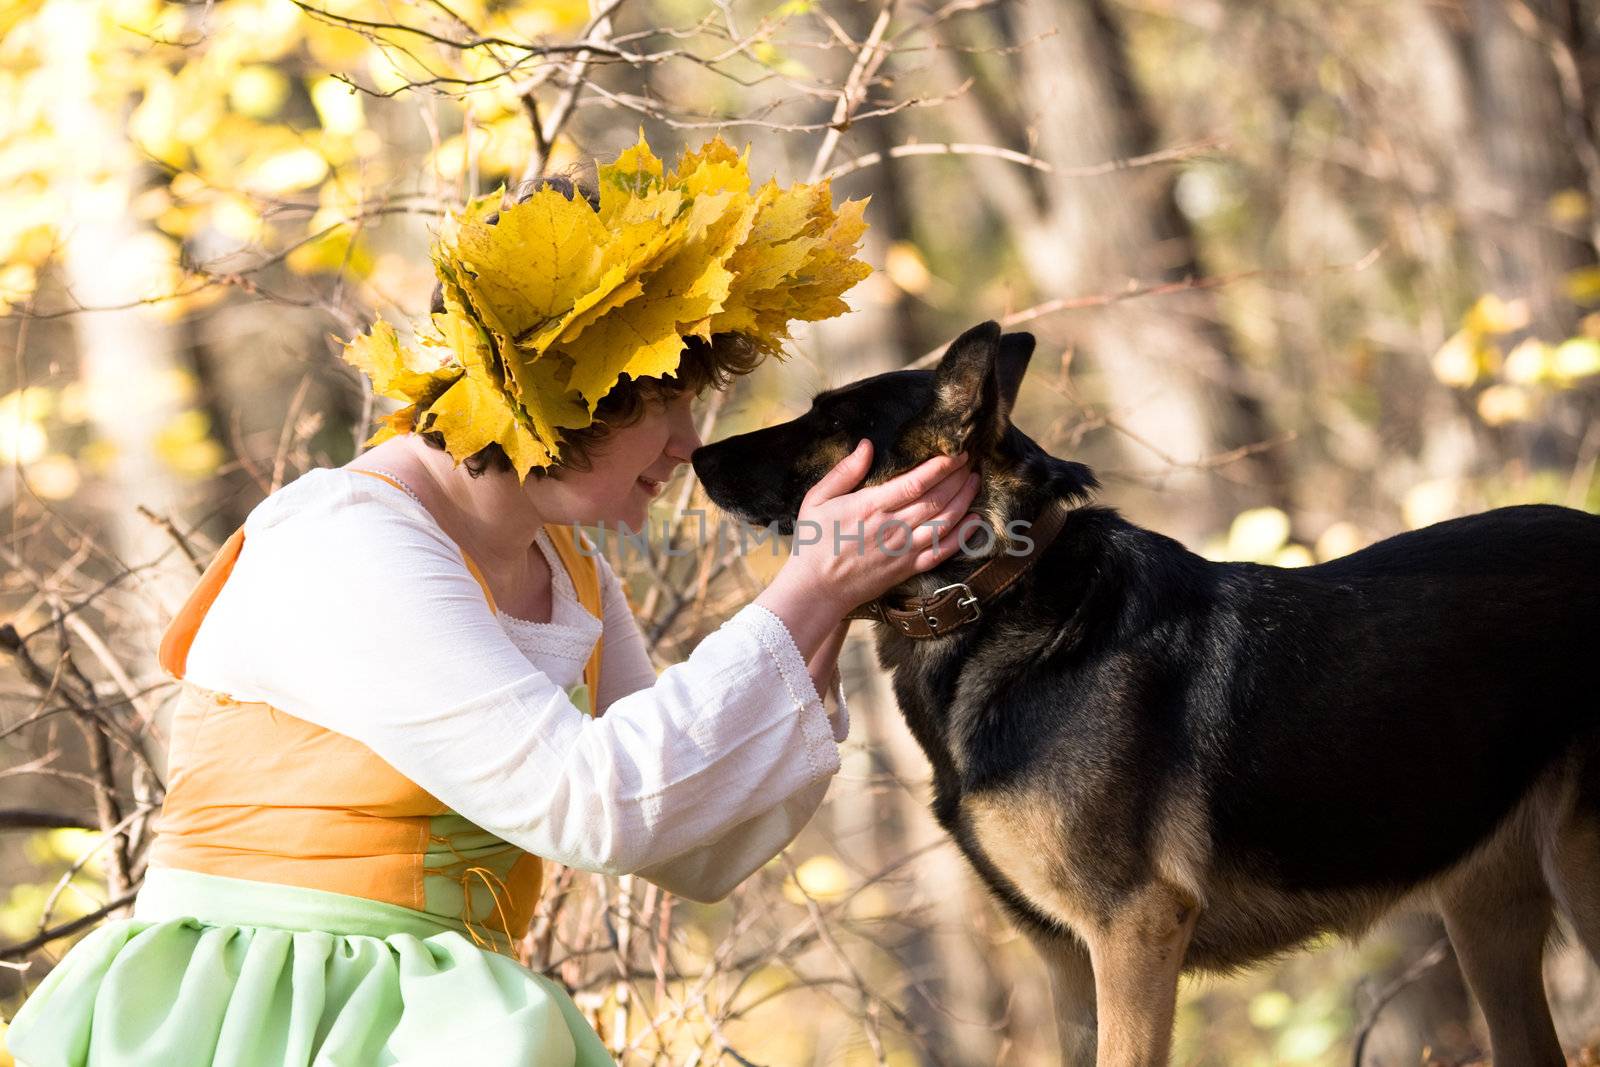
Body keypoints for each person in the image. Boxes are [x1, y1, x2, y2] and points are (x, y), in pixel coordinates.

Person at [4, 139, 982, 1065]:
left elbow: (695, 838)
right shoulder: (347, 538)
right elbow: (586, 802)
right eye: (656, 397)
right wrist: (807, 587)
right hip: (271, 1008)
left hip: (434, 1014)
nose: (689, 442)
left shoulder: (565, 568)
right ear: (555, 389)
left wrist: (832, 599)